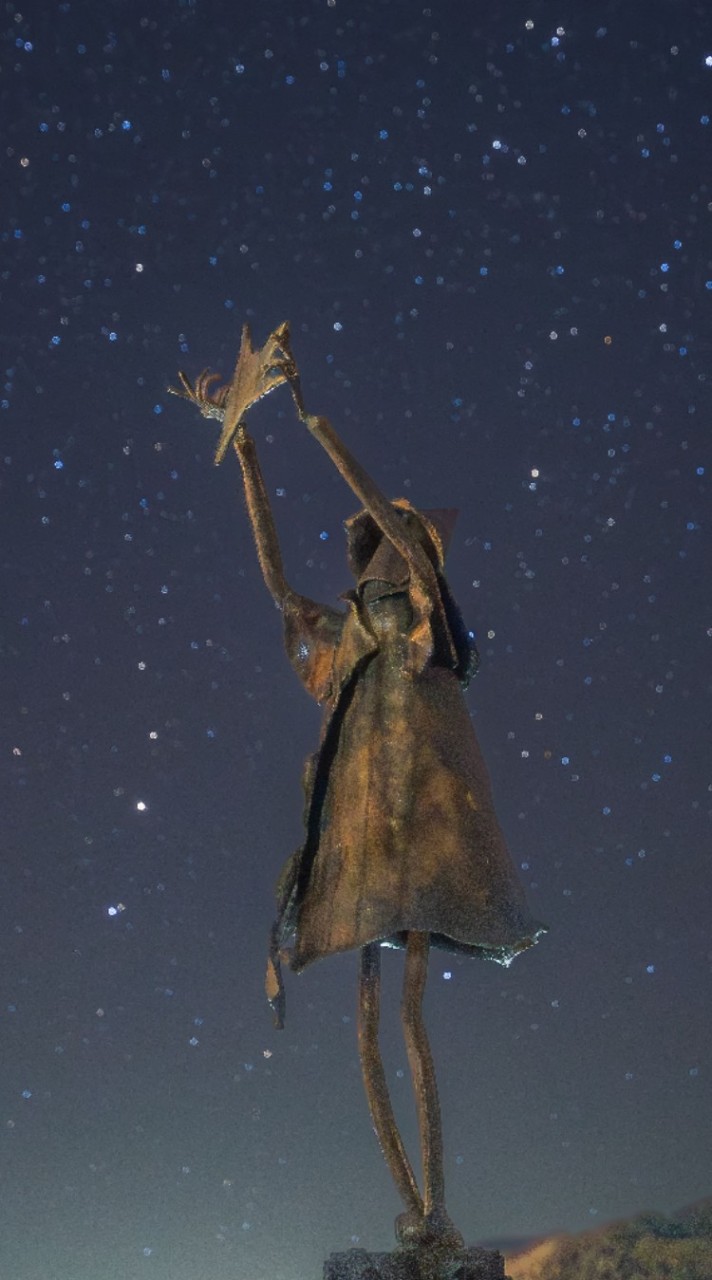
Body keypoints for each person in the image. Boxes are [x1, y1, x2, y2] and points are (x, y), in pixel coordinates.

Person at [170, 324, 547, 1251]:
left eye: (394, 535)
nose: (377, 544)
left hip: (421, 815)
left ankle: (438, 1208)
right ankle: (417, 1209)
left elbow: (376, 502)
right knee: (371, 1020)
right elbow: (272, 581)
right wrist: (248, 448)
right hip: (363, 819)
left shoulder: (422, 604)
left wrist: (312, 417)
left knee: (408, 1009)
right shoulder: (349, 636)